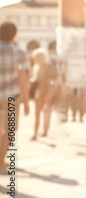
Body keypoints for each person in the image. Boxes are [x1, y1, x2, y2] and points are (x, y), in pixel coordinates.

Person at [0, 21, 30, 173]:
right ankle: (1, 161)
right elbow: (22, 77)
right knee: (9, 129)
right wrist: (26, 99)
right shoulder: (19, 52)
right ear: (14, 35)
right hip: (12, 96)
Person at [31, 48, 57, 140]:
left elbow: (52, 81)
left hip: (46, 92)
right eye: (35, 57)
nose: (36, 59)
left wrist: (49, 94)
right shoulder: (35, 67)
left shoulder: (49, 66)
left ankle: (45, 131)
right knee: (37, 113)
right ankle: (35, 133)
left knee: (46, 113)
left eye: (38, 57)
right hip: (38, 93)